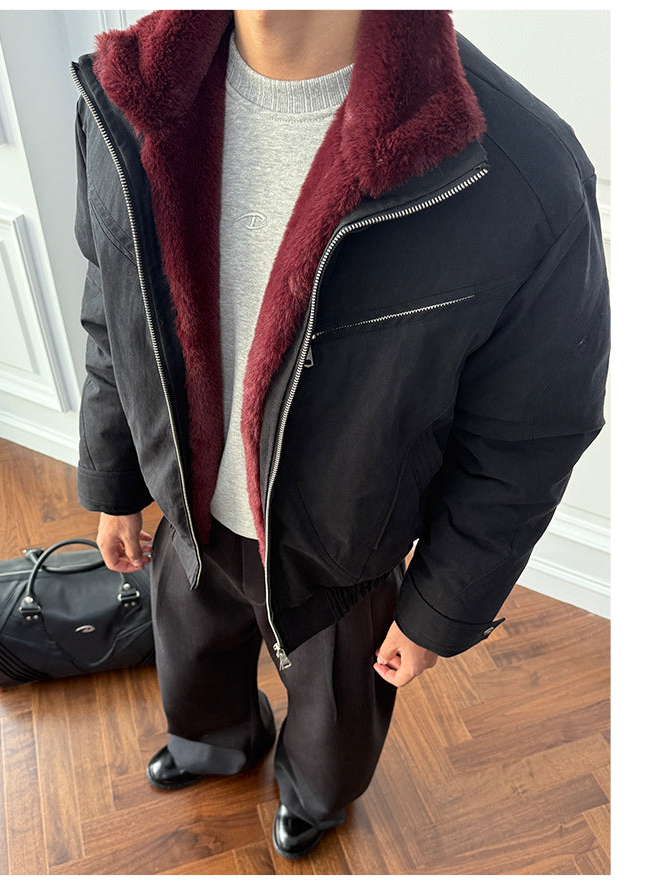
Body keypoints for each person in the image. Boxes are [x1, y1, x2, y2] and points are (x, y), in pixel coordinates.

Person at [71, 9, 609, 860]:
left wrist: (438, 608)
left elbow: (527, 439)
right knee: (192, 660)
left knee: (335, 720)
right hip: (189, 519)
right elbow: (113, 313)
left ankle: (313, 799)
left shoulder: (518, 173)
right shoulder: (123, 97)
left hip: (342, 561)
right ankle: (213, 745)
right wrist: (115, 483)